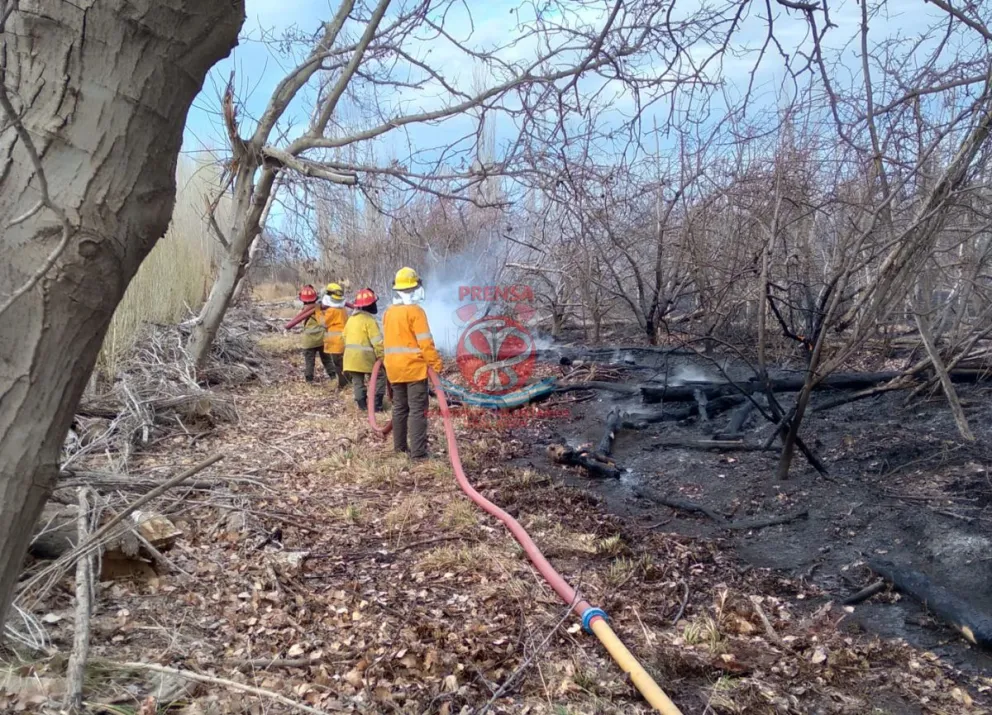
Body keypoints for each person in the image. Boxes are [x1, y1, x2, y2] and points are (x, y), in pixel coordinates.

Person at [383, 267, 442, 459]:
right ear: (415, 287)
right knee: (417, 410)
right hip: (414, 370)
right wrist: (436, 365)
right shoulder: (416, 312)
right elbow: (425, 342)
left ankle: (400, 448)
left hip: (393, 369)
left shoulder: (389, 312)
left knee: (399, 408)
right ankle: (418, 454)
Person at [343, 288, 387, 412]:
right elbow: (377, 342)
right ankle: (376, 405)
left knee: (357, 381)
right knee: (379, 376)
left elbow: (344, 337)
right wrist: (382, 358)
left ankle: (362, 406)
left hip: (350, 357)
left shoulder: (351, 320)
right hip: (365, 357)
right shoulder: (369, 321)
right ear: (370, 305)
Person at [296, 284, 334, 383]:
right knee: (327, 360)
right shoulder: (319, 309)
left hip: (308, 342)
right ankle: (333, 376)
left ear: (302, 299)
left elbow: (299, 322)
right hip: (321, 340)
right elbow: (323, 323)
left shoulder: (301, 312)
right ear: (315, 298)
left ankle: (309, 380)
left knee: (309, 362)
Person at [316, 282, 349, 389]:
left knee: (338, 365)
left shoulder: (332, 310)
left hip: (336, 343)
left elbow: (322, 323)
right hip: (344, 341)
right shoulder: (343, 309)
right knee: (344, 363)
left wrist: (318, 310)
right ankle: (348, 382)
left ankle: (343, 385)